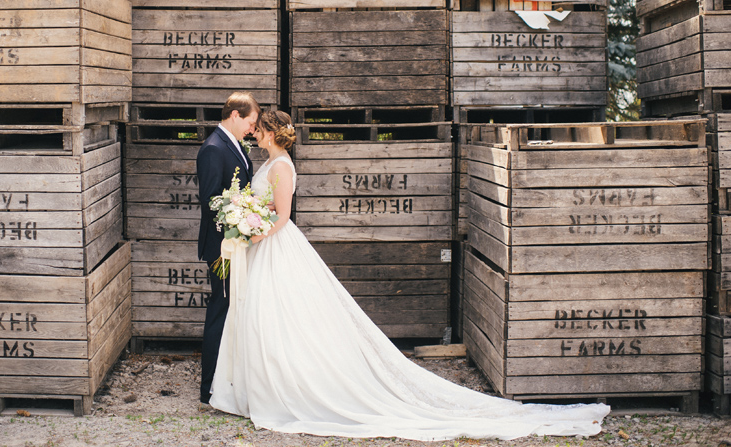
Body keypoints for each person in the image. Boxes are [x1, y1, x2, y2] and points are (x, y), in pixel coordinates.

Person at [207, 109, 610, 441]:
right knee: (267, 320)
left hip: (275, 246)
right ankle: (259, 385)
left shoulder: (281, 167)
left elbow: (283, 217)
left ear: (273, 132)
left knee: (285, 319)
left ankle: (287, 388)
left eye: (259, 130)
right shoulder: (270, 162)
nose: (254, 134)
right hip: (264, 250)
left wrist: (255, 231)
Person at [196, 91, 261, 405]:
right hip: (223, 247)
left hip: (236, 242)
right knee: (220, 310)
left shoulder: (235, 145)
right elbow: (210, 201)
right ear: (235, 115)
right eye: (250, 122)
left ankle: (228, 379)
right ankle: (208, 388)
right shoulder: (212, 149)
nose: (252, 129)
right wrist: (238, 219)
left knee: (233, 309)